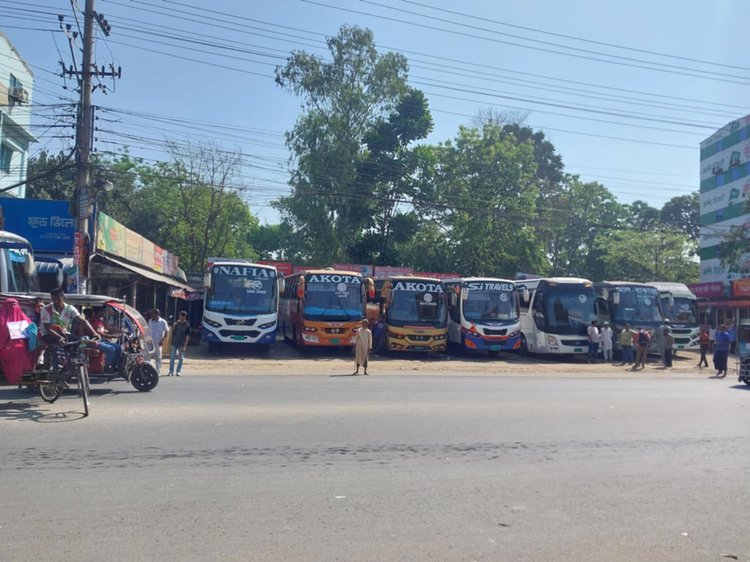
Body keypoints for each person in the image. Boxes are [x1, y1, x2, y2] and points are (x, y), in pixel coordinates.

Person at [0, 298, 33, 386]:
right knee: (14, 348)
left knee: (20, 347)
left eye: (14, 305)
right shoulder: (1, 319)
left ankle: (24, 373)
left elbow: (31, 328)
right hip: (5, 343)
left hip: (22, 342)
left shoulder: (22, 316)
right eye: (10, 305)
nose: (13, 307)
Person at [147, 308, 169, 375]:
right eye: (151, 314)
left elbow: (167, 331)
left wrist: (163, 340)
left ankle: (157, 372)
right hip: (150, 342)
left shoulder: (162, 322)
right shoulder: (150, 321)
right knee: (148, 357)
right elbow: (148, 330)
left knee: (158, 358)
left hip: (158, 343)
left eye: (153, 314)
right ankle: (149, 371)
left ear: (157, 314)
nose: (151, 315)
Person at [168, 311, 190, 377]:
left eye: (180, 316)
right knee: (172, 357)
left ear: (184, 317)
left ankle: (178, 371)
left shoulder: (187, 325)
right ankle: (171, 371)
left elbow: (187, 336)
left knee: (181, 358)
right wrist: (174, 325)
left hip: (181, 344)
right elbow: (173, 333)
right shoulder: (177, 324)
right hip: (174, 343)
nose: (179, 317)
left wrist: (184, 346)